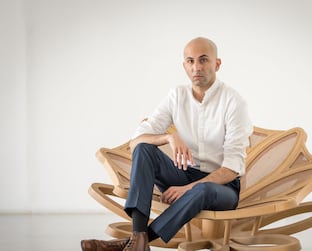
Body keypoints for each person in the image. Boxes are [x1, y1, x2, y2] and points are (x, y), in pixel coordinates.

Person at [81, 37, 252, 251]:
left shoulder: (234, 102)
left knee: (203, 190)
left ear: (217, 64)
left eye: (203, 60)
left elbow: (231, 169)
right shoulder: (176, 96)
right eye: (190, 61)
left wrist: (188, 189)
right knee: (145, 149)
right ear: (184, 66)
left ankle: (132, 243)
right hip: (184, 175)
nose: (196, 67)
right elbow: (137, 141)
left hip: (222, 188)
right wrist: (168, 137)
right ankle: (138, 237)